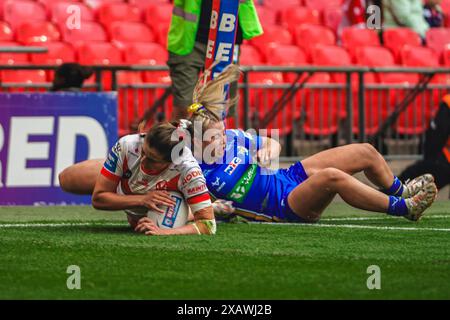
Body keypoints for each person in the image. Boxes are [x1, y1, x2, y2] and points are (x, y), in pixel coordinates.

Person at [60, 65, 438, 224]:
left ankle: (399, 187)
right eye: (214, 133)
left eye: (222, 128)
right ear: (197, 141)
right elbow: (72, 179)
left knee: (365, 151)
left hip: (289, 176)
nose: (223, 134)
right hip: (284, 206)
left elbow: (269, 144)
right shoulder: (191, 171)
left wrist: (266, 150)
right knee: (334, 178)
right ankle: (402, 207)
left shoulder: (235, 137)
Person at [91, 121, 216, 236]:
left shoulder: (188, 170)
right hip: (124, 188)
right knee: (71, 178)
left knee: (198, 210)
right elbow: (98, 199)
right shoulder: (127, 145)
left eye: (152, 160)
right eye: (143, 152)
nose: (143, 160)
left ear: (172, 162)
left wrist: (164, 232)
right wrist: (142, 199)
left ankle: (205, 208)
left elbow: (208, 225)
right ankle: (212, 207)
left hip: (161, 209)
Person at [167, 0, 263, 120]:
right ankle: (179, 137)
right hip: (189, 41)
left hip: (226, 39)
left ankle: (212, 138)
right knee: (185, 105)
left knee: (222, 107)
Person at [400, 94, 450, 191]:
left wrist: (430, 159)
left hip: (445, 161)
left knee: (407, 182)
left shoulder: (448, 102)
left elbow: (438, 135)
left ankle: (383, 197)